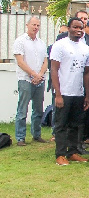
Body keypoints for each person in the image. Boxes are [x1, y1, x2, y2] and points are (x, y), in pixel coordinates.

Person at [50, 17, 89, 165]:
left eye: (81, 28)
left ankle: (72, 152)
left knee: (75, 124)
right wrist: (58, 94)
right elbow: (54, 70)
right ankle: (60, 155)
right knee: (61, 125)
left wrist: (87, 95)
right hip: (64, 92)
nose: (78, 30)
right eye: (75, 27)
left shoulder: (86, 48)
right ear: (69, 28)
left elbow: (87, 73)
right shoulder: (60, 45)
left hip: (78, 93)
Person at [14, 16, 48, 146]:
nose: (36, 27)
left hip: (39, 80)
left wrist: (40, 74)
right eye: (33, 25)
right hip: (25, 79)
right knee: (23, 109)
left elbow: (45, 61)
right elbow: (20, 62)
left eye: (38, 25)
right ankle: (20, 137)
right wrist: (33, 74)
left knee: (38, 109)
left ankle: (36, 134)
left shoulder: (41, 43)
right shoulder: (20, 41)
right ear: (27, 25)